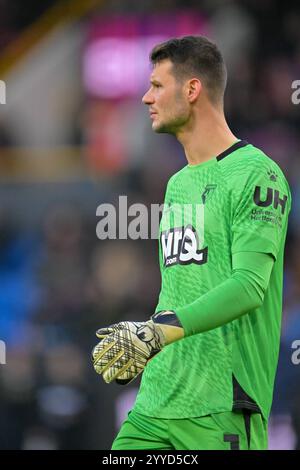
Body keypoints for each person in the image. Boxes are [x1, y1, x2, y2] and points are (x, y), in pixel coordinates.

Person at [92, 36, 292, 450]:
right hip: (155, 404)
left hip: (220, 406)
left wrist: (157, 333)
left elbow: (249, 286)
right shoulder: (177, 185)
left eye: (157, 86)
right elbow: (182, 288)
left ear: (192, 89)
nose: (147, 98)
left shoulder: (258, 174)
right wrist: (146, 346)